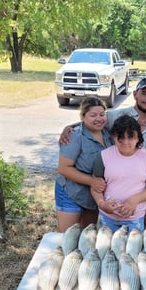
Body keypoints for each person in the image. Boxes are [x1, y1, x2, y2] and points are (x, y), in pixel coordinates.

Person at [58, 77, 146, 165]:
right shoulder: (117, 116)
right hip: (115, 178)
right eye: (144, 93)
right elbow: (94, 119)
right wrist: (70, 127)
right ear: (135, 94)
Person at [90, 115, 146, 232]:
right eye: (120, 138)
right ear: (114, 137)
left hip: (135, 218)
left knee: (132, 250)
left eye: (131, 137)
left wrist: (134, 200)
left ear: (138, 138)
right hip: (108, 218)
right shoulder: (103, 156)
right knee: (107, 249)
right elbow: (95, 186)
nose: (125, 142)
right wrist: (102, 204)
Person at [55, 97, 114, 232]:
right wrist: (91, 181)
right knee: (68, 235)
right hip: (71, 191)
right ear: (83, 116)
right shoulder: (75, 136)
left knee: (88, 235)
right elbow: (63, 168)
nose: (98, 119)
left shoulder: (108, 133)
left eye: (102, 114)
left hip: (93, 195)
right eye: (93, 115)